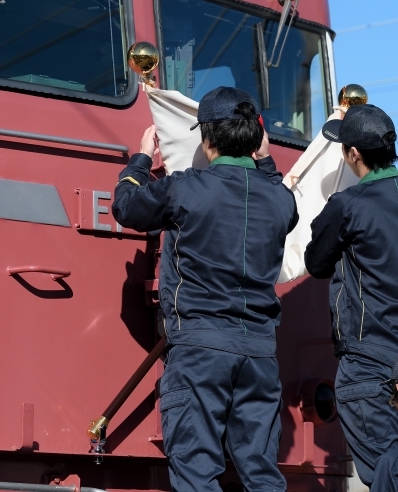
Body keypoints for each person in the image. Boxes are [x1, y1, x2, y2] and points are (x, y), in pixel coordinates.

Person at [112, 86, 298, 492]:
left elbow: (126, 206)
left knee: (196, 472)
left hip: (201, 351)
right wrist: (265, 160)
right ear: (255, 139)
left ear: (207, 138)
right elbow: (282, 195)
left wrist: (141, 159)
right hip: (260, 355)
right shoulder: (281, 201)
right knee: (263, 475)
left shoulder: (184, 187)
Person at [304, 103, 398, 492]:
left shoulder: (349, 206)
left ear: (353, 155)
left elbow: (315, 262)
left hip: (369, 359)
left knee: (385, 474)